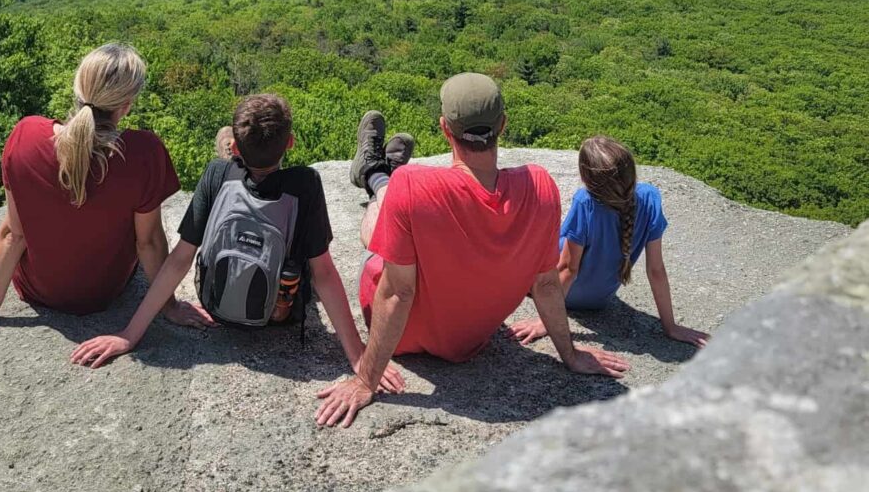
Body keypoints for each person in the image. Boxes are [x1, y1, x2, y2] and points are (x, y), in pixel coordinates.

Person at [315, 73, 629, 429]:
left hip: (403, 337)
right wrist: (569, 355)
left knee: (379, 224)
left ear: (445, 129)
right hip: (470, 341)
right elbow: (545, 284)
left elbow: (397, 292)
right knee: (400, 206)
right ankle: (379, 174)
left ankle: (376, 175)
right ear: (504, 126)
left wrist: (365, 380)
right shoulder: (540, 186)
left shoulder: (414, 185)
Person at [70, 94, 404, 393]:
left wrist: (130, 333)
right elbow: (323, 274)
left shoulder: (217, 173)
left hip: (217, 307)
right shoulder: (304, 184)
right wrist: (358, 355)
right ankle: (384, 174)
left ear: (234, 149)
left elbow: (179, 260)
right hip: (279, 315)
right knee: (299, 252)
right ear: (290, 144)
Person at [0, 44, 197, 340]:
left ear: (77, 88)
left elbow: (13, 234)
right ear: (127, 104)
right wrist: (169, 306)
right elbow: (149, 243)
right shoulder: (143, 153)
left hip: (37, 291)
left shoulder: (25, 136)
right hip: (105, 292)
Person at [509, 135, 709, 349]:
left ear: (586, 179)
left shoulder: (585, 202)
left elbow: (569, 268)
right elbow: (656, 270)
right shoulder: (651, 198)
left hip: (563, 294)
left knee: (526, 230)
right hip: (599, 300)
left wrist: (545, 321)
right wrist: (671, 327)